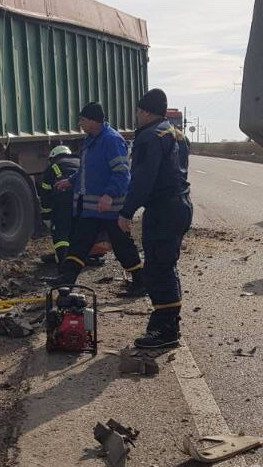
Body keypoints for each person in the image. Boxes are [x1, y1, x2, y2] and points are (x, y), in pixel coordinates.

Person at [118, 88, 192, 349]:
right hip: (181, 205)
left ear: (146, 112)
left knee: (159, 269)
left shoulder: (149, 137)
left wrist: (127, 212)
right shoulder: (178, 135)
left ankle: (165, 331)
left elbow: (143, 179)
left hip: (163, 209)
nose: (137, 116)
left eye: (138, 112)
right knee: (164, 265)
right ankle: (166, 324)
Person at [56, 103, 145, 291]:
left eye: (82, 120)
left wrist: (109, 195)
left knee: (122, 247)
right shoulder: (90, 140)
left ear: (93, 120)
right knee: (79, 243)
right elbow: (87, 171)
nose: (79, 123)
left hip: (111, 210)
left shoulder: (112, 140)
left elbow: (122, 172)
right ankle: (66, 280)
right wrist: (71, 181)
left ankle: (140, 281)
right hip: (92, 210)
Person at [38, 145, 80, 264]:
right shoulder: (80, 162)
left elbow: (45, 195)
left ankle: (63, 261)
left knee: (61, 230)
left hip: (63, 194)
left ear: (53, 157)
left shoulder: (53, 167)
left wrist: (47, 217)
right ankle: (83, 258)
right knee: (81, 228)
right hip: (84, 195)